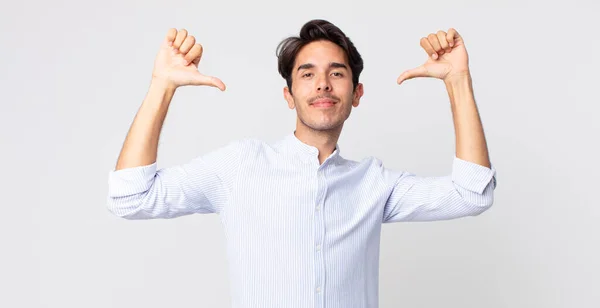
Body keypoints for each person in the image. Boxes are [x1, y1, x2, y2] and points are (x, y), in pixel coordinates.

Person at [107, 19, 497, 308]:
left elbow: (471, 194)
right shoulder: (239, 166)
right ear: (289, 95)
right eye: (307, 74)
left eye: (337, 73)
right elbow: (130, 197)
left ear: (356, 93)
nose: (323, 84)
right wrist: (162, 85)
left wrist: (457, 80)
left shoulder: (373, 183)